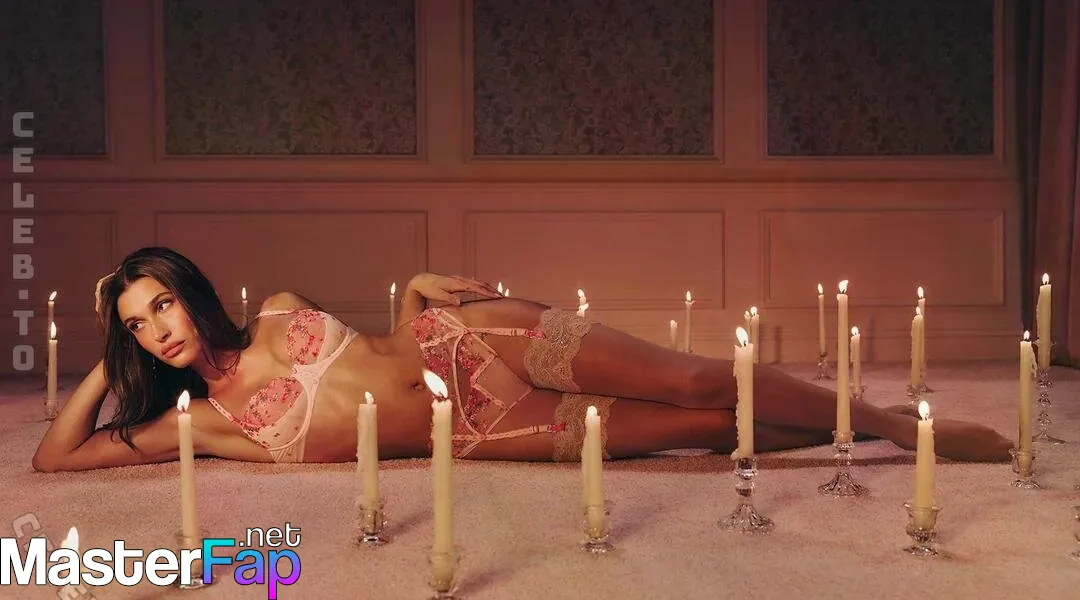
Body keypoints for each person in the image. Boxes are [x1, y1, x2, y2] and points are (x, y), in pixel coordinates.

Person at [32, 247, 1013, 473]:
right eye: (137, 325)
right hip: (481, 429)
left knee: (696, 376)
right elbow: (55, 458)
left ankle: (888, 425)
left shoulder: (278, 311)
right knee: (703, 430)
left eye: (160, 303)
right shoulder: (202, 425)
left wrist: (414, 294)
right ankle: (862, 432)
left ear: (189, 291)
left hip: (466, 341)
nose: (158, 328)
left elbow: (376, 353)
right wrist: (106, 359)